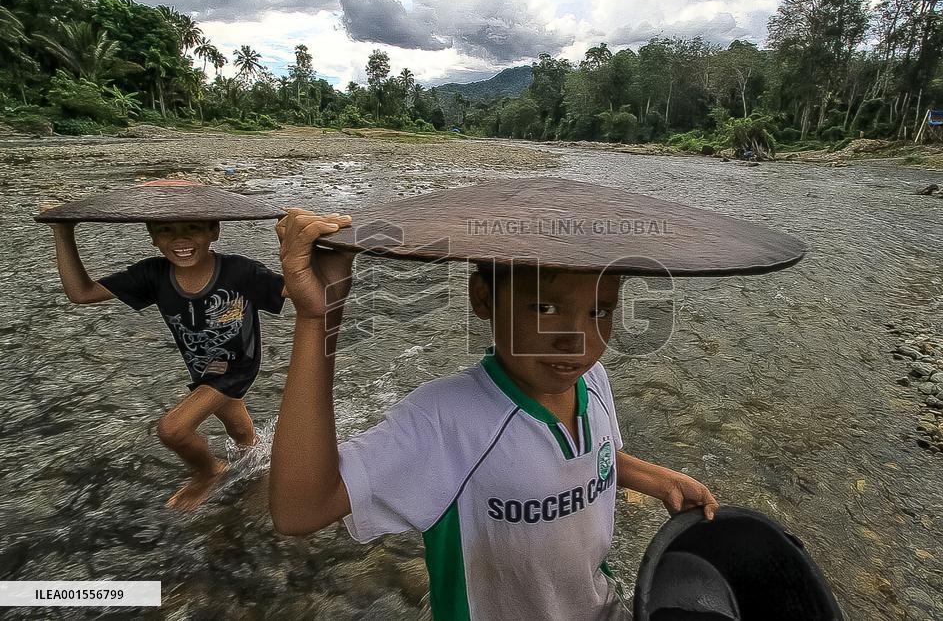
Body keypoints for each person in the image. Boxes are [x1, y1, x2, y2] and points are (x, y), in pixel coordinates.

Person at [269, 208, 719, 621]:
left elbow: (589, 460)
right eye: (545, 307)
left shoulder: (593, 381)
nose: (577, 341)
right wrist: (317, 318)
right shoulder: (445, 421)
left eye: (599, 311)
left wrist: (657, 478)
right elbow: (300, 510)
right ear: (482, 297)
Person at [46, 217, 285, 509]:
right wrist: (63, 230)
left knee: (173, 429)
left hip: (237, 366)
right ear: (152, 237)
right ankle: (260, 465)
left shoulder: (241, 271)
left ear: (214, 231)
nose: (179, 239)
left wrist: (290, 242)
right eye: (166, 231)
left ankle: (209, 471)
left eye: (192, 227)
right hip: (202, 369)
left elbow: (294, 291)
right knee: (240, 433)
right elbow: (81, 293)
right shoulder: (153, 274)